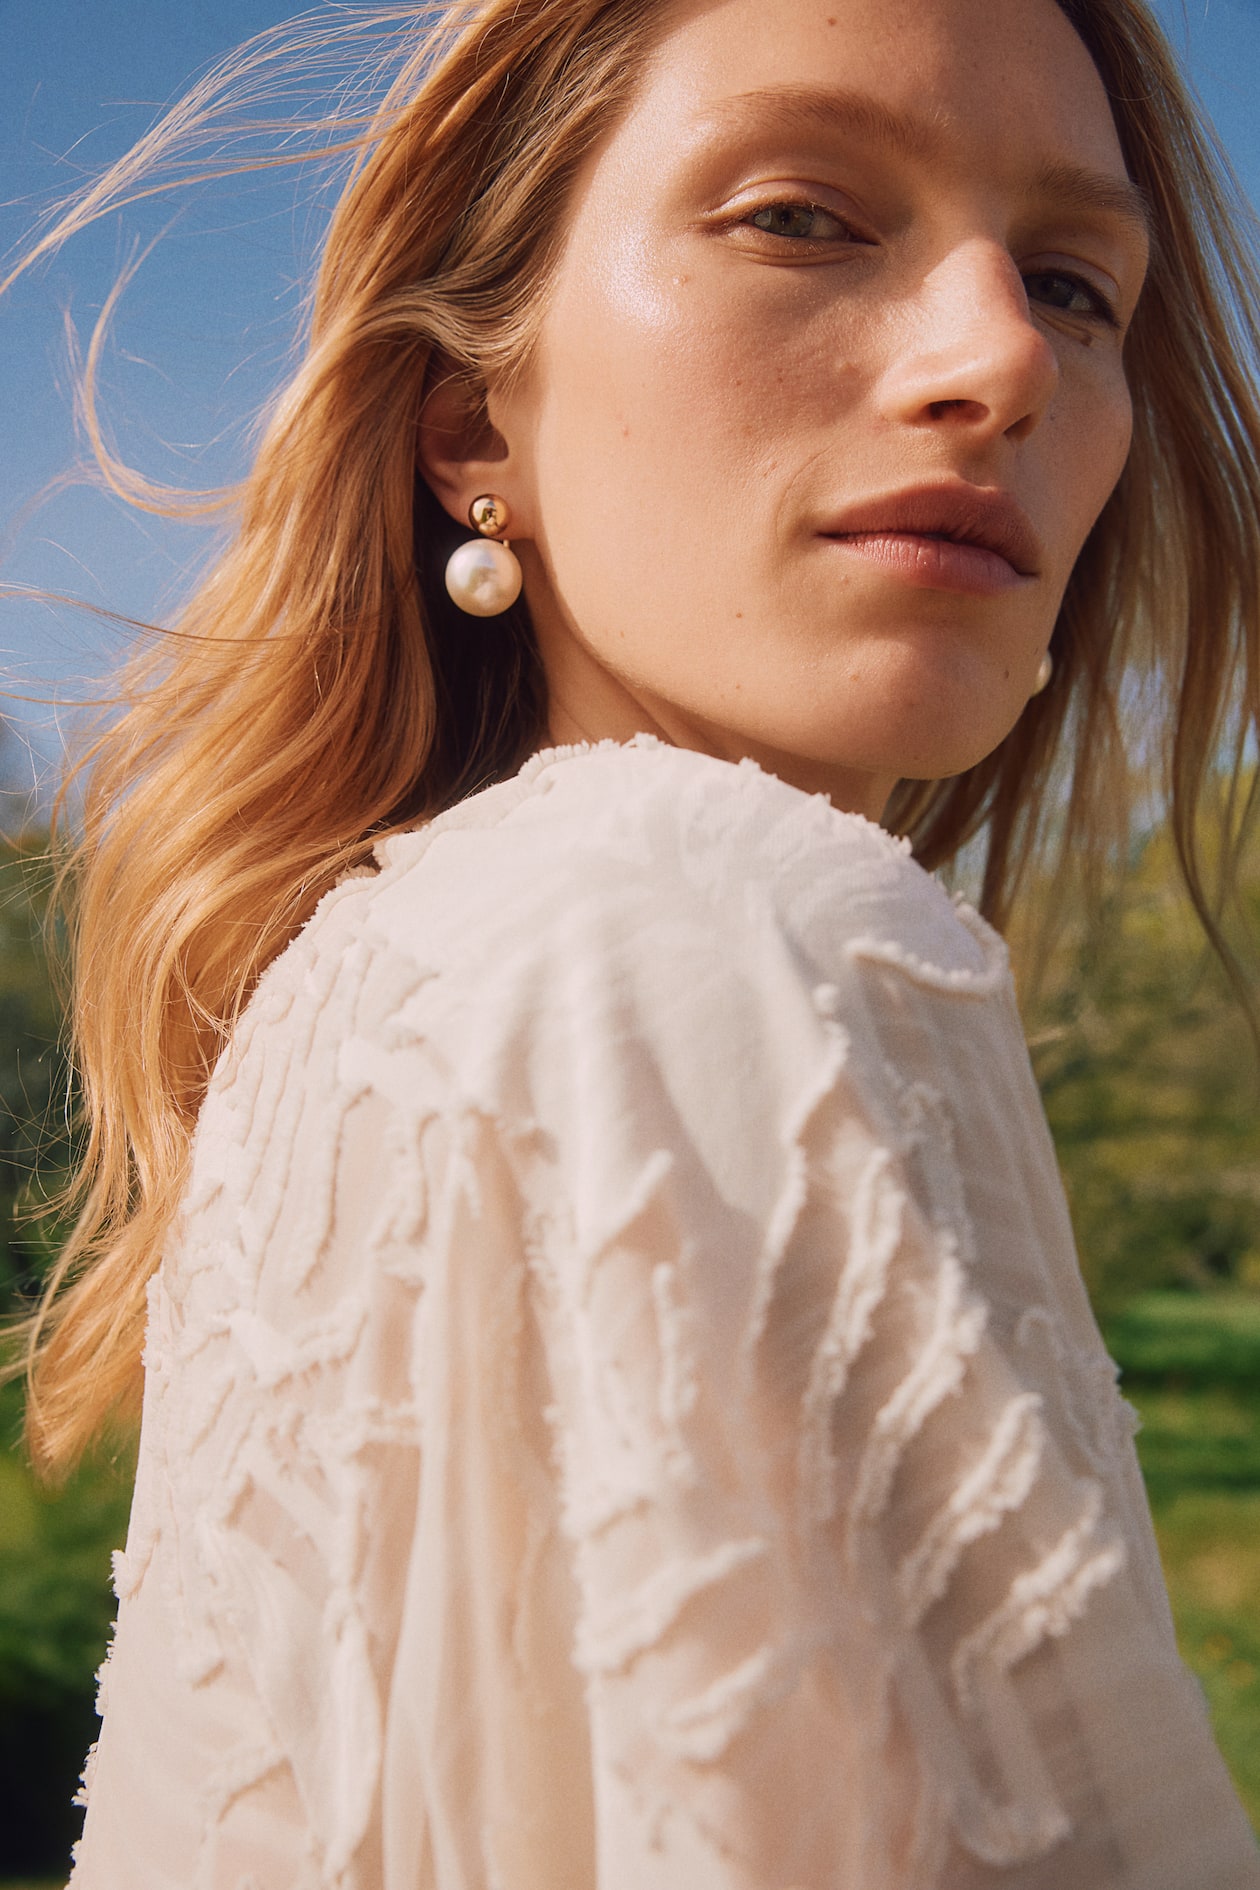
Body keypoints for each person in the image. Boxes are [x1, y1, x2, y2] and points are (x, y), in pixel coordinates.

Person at [10, 0, 1260, 1883]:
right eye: (800, 216)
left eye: (1079, 285)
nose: (1002, 355)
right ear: (468, 420)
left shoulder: (398, 961)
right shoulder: (691, 928)